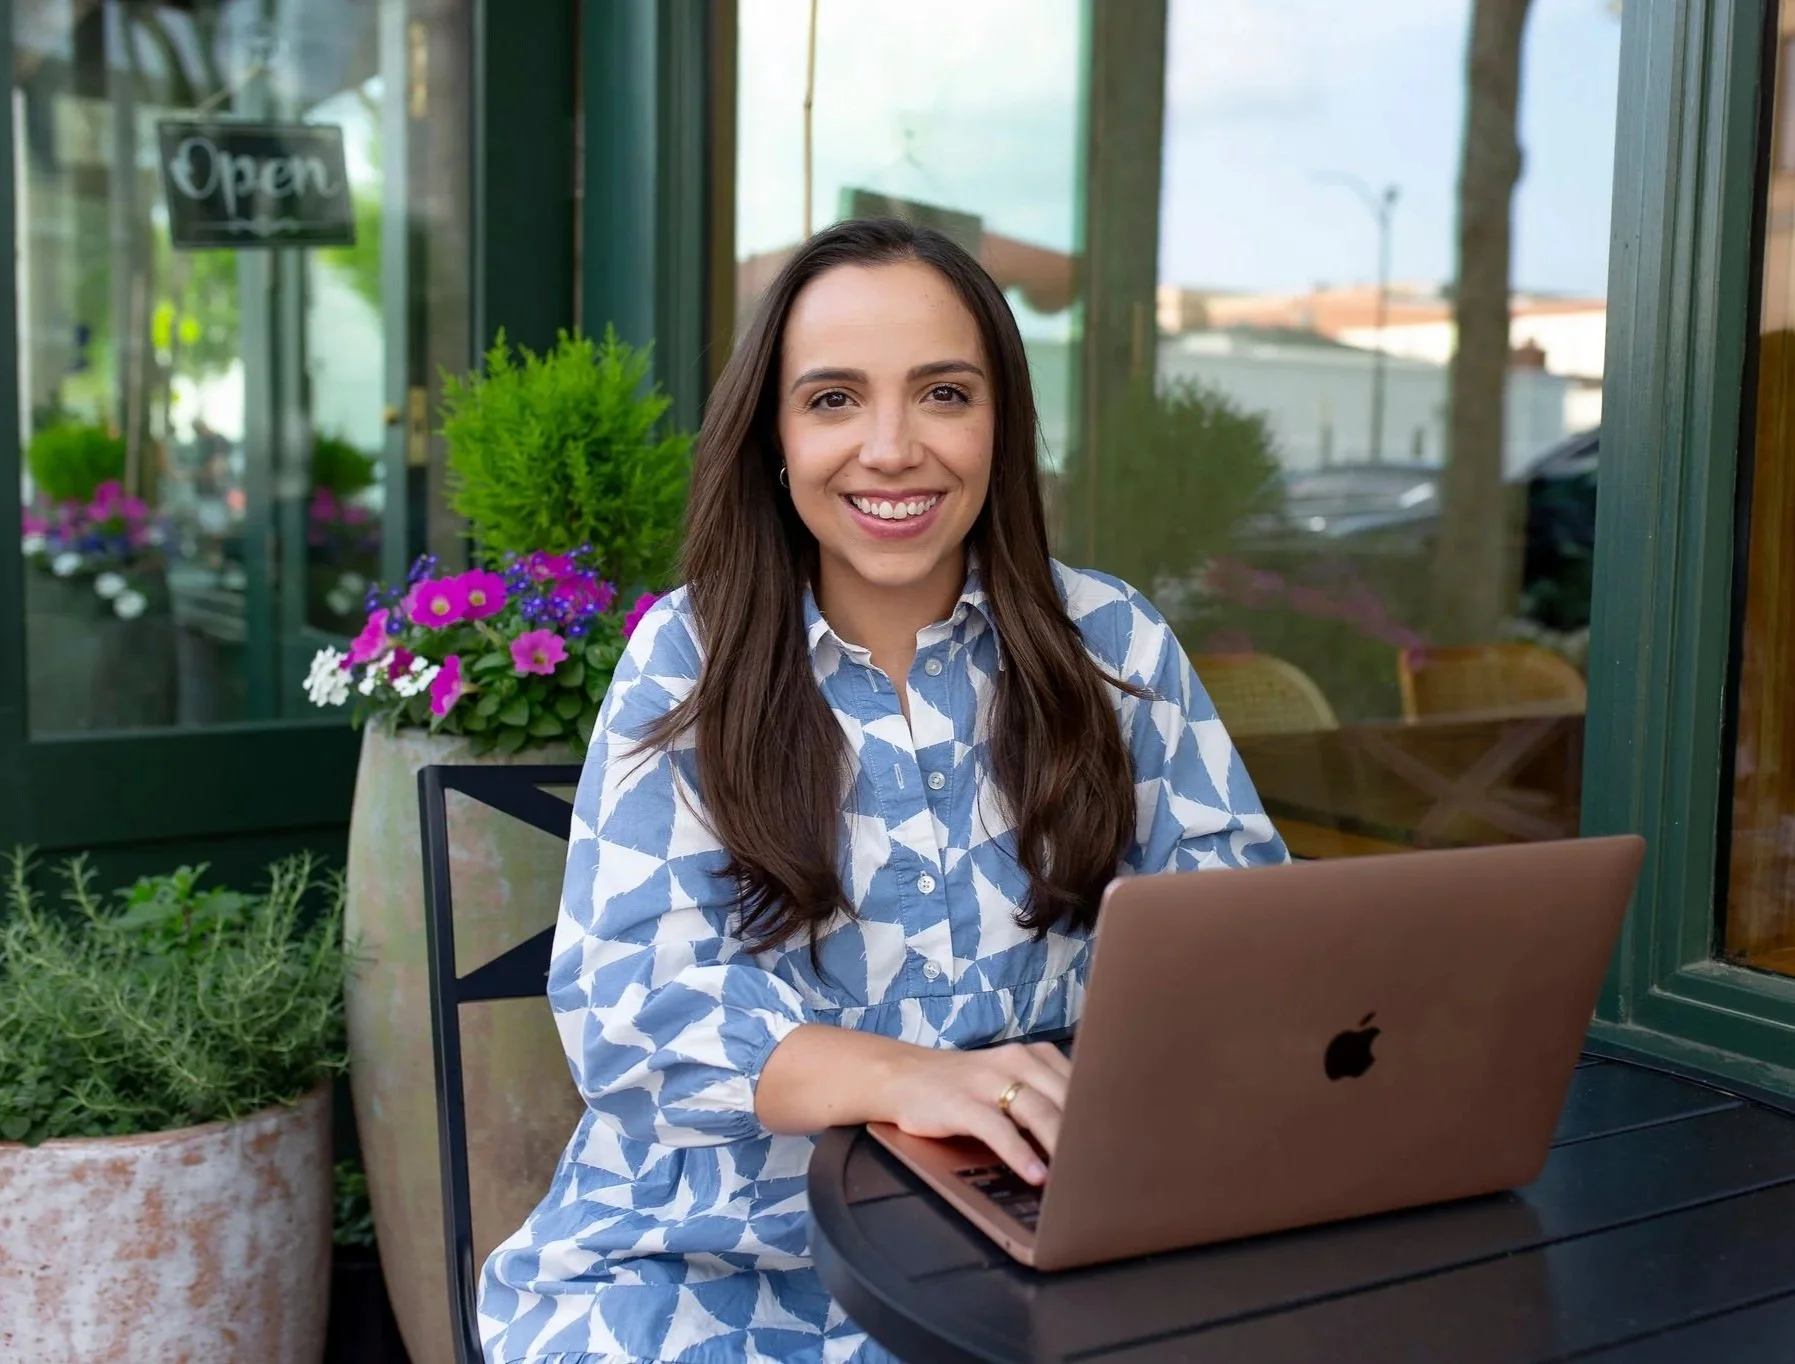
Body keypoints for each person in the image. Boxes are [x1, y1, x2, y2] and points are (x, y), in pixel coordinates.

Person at [479, 217, 1289, 1364]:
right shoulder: (689, 658)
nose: (893, 447)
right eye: (834, 399)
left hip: (1035, 1235)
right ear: (773, 435)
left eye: (944, 393)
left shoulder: (1115, 644)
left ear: (1000, 422)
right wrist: (915, 1076)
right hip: (713, 1255)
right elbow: (634, 1010)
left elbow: (1246, 935)